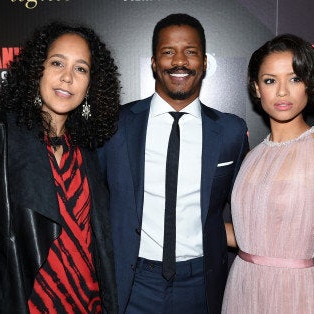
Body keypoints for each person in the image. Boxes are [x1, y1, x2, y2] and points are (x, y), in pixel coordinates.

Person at [0, 21, 121, 314]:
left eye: (81, 69)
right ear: (37, 70)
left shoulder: (88, 149)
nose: (67, 77)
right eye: (57, 63)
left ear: (91, 84)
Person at [98, 13, 249, 313]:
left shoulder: (231, 131)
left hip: (200, 285)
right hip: (131, 282)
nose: (179, 61)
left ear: (204, 62)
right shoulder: (114, 126)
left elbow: (251, 204)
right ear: (154, 62)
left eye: (190, 52)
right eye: (168, 52)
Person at [221, 33, 314, 314]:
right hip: (242, 289)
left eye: (294, 79)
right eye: (270, 80)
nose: (283, 92)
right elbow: (250, 236)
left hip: (293, 295)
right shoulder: (250, 157)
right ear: (257, 89)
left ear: (309, 84)